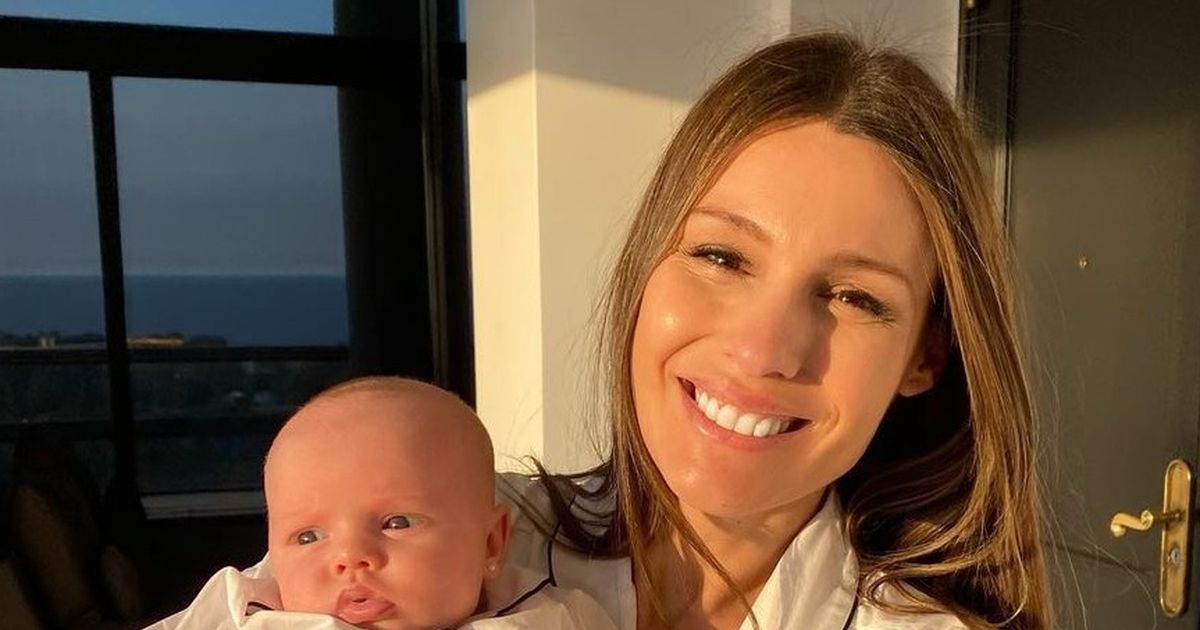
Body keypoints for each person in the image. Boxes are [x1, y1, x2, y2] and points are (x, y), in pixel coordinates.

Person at [501, 32, 1052, 630]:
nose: (760, 351)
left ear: (926, 356)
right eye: (721, 257)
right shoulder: (467, 538)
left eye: (853, 297)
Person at [146, 377, 617, 630]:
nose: (351, 557)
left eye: (397, 522)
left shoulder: (555, 618)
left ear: (491, 544)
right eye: (308, 536)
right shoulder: (245, 611)